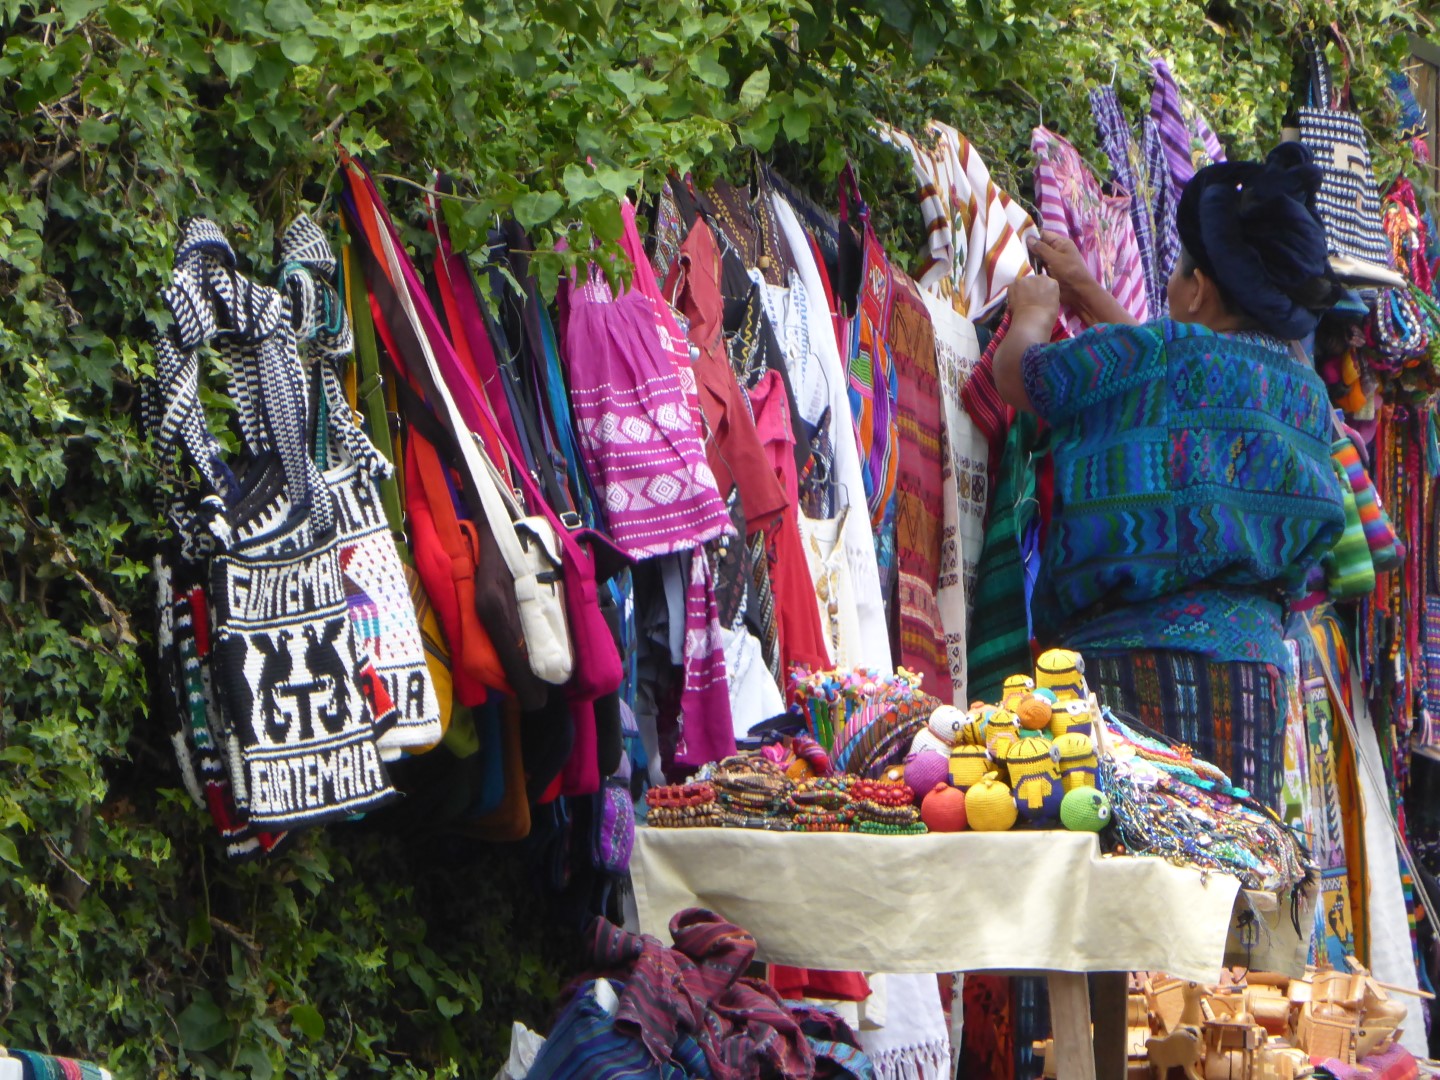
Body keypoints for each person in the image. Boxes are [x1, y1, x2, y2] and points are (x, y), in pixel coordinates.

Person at [992, 144, 1346, 810]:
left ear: (1198, 289)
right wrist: (1090, 289)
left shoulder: (1155, 357)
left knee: (1134, 875)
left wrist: (1036, 312)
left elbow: (1020, 377)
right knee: (1228, 868)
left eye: (1176, 272)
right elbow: (1186, 389)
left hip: (1127, 673)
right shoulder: (1304, 396)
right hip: (1254, 677)